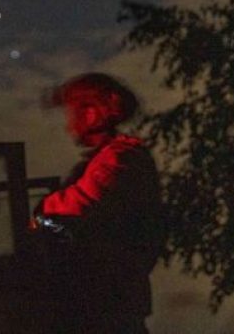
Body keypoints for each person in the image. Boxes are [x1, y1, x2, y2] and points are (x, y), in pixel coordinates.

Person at [33, 72, 164, 334]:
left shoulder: (122, 159)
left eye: (73, 113)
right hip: (96, 304)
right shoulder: (105, 161)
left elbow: (79, 208)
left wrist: (41, 214)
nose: (69, 125)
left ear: (92, 113)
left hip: (109, 307)